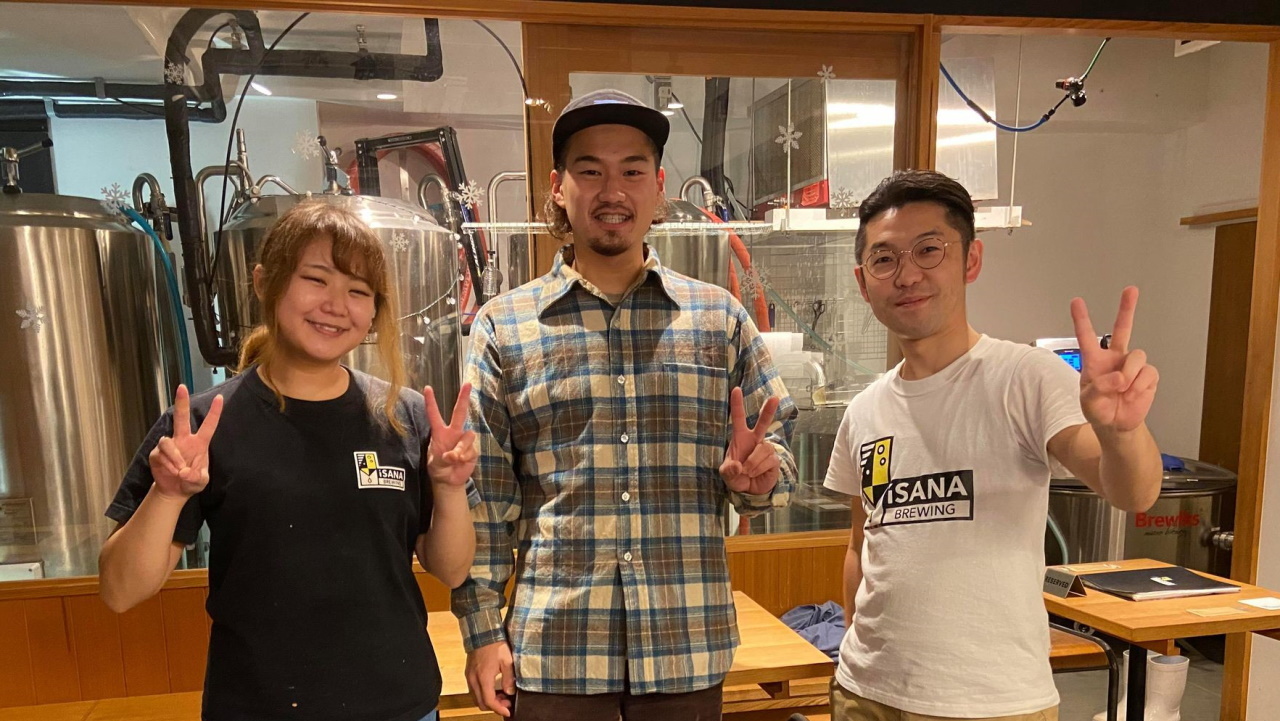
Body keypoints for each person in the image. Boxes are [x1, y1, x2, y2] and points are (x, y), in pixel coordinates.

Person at [451, 88, 799, 721]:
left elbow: (777, 457)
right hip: (554, 654)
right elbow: (486, 501)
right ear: (559, 188)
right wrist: (481, 631)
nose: (612, 190)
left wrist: (762, 476)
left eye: (632, 171)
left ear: (658, 187)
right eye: (590, 171)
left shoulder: (719, 318)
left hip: (686, 648)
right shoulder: (506, 327)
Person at [98, 201, 478, 721]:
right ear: (264, 282)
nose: (336, 305)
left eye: (358, 291)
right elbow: (120, 591)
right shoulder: (204, 425)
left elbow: (451, 569)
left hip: (398, 705)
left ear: (374, 312)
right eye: (316, 279)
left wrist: (450, 487)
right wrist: (167, 494)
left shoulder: (403, 416)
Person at [824, 170, 1162, 721]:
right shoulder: (865, 410)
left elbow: (1131, 491)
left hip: (993, 701)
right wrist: (851, 648)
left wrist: (1121, 433)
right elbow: (861, 545)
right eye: (884, 259)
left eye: (928, 250)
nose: (907, 275)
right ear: (864, 283)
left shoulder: (1027, 377)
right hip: (864, 695)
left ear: (971, 260)